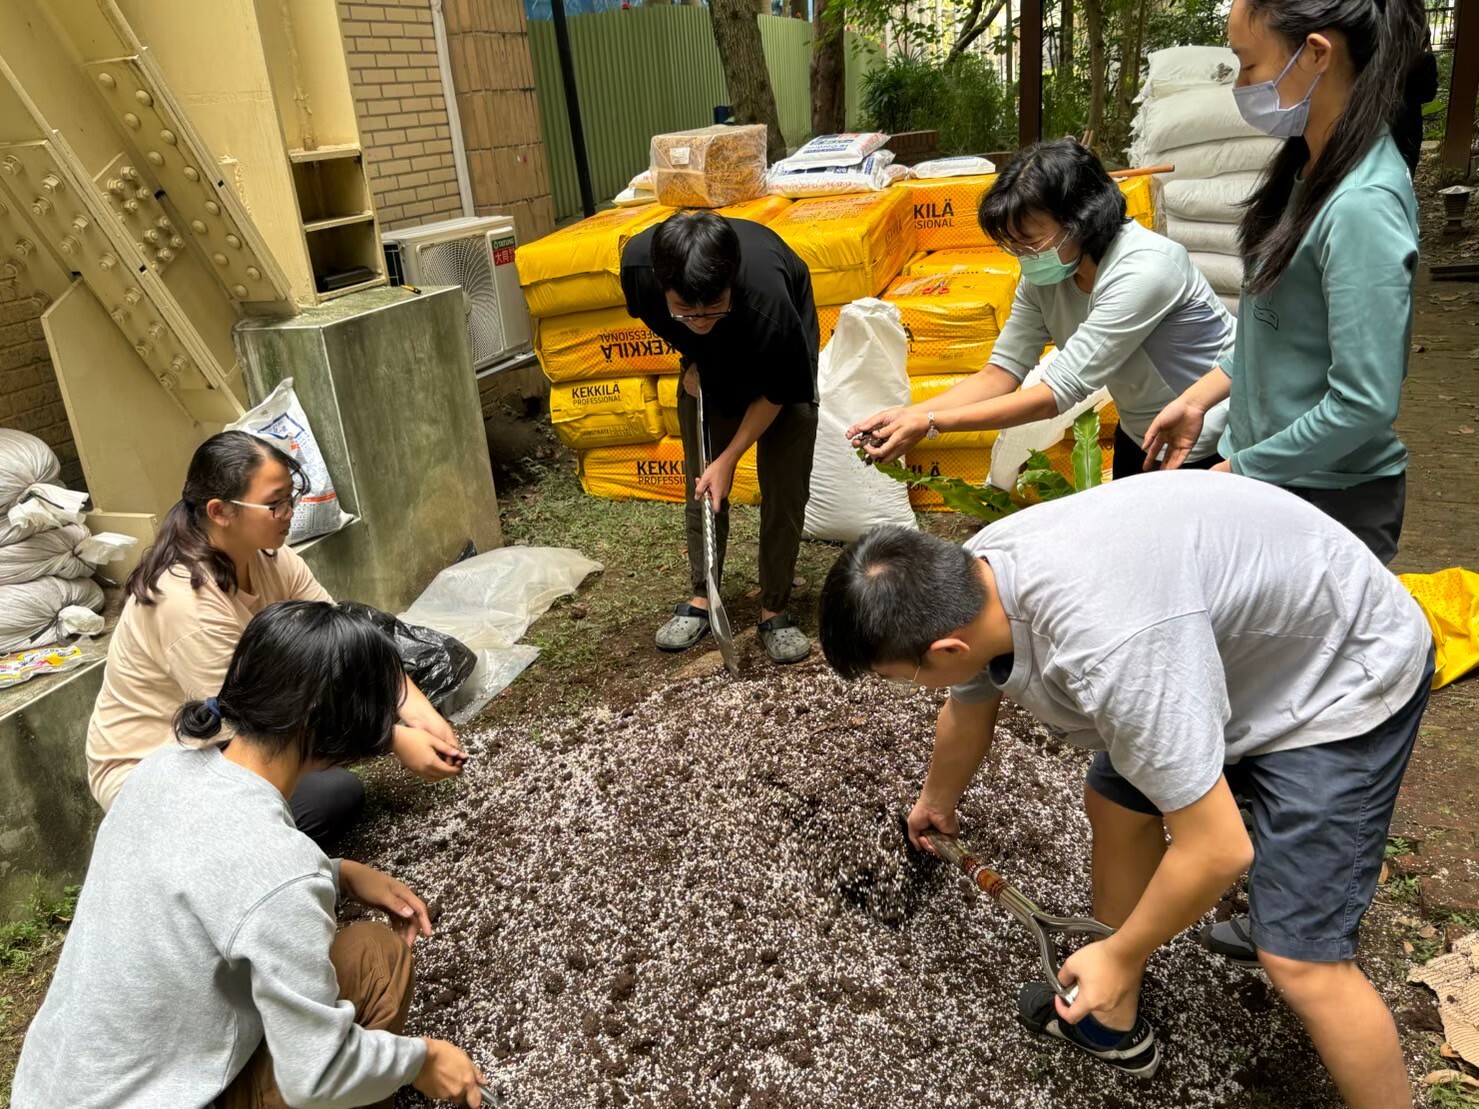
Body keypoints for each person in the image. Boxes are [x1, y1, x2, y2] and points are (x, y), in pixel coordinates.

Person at [817, 472, 1433, 1109]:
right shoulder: (972, 582)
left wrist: (1120, 950)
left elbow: (1218, 850)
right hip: (1224, 652)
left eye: (896, 679)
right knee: (1116, 800)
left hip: (1339, 672)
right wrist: (937, 803)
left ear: (945, 647)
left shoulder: (1112, 653)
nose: (905, 690)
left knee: (1300, 959)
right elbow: (969, 708)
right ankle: (1113, 1017)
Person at [13, 601, 485, 1108]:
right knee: (377, 959)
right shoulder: (279, 868)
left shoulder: (161, 770)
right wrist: (424, 1060)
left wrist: (341, 872)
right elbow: (316, 1074)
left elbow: (215, 874)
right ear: (325, 721)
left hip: (55, 1088)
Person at [1144, 0, 1426, 565]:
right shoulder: (1307, 169)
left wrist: (1233, 472)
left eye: (1248, 65)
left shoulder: (1362, 206)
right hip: (1276, 476)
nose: (1242, 85)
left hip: (1329, 497)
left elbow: (1362, 403)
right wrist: (1199, 398)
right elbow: (1277, 331)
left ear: (1316, 53)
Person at [86, 431, 464, 846]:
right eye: (275, 503)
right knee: (318, 800)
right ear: (221, 511)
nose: (289, 513)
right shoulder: (184, 602)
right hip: (154, 773)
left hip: (230, 737)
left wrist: (418, 711)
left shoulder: (272, 558)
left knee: (333, 792)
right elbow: (259, 722)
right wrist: (391, 737)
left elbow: (342, 637)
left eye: (290, 499)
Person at [846, 139, 1235, 478]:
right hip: (1143, 433)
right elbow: (1002, 372)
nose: (1021, 255)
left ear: (1081, 219)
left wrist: (930, 422)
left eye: (1028, 241)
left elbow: (1055, 394)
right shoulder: (1045, 276)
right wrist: (908, 415)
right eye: (1011, 244)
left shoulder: (1145, 269)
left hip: (1211, 434)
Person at [621, 210, 820, 664]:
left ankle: (775, 607)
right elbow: (665, 320)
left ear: (731, 281)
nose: (699, 317)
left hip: (779, 369)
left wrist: (729, 457)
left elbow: (777, 393)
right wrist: (694, 357)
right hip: (710, 364)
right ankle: (701, 594)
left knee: (785, 488)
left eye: (712, 308)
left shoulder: (769, 301)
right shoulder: (638, 269)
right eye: (685, 309)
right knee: (702, 485)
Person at [1394, 31, 1439, 174]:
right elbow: (1428, 94)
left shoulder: (1388, 58)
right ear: (1424, 39)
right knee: (1409, 160)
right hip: (1410, 117)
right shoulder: (1425, 59)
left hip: (1385, 115)